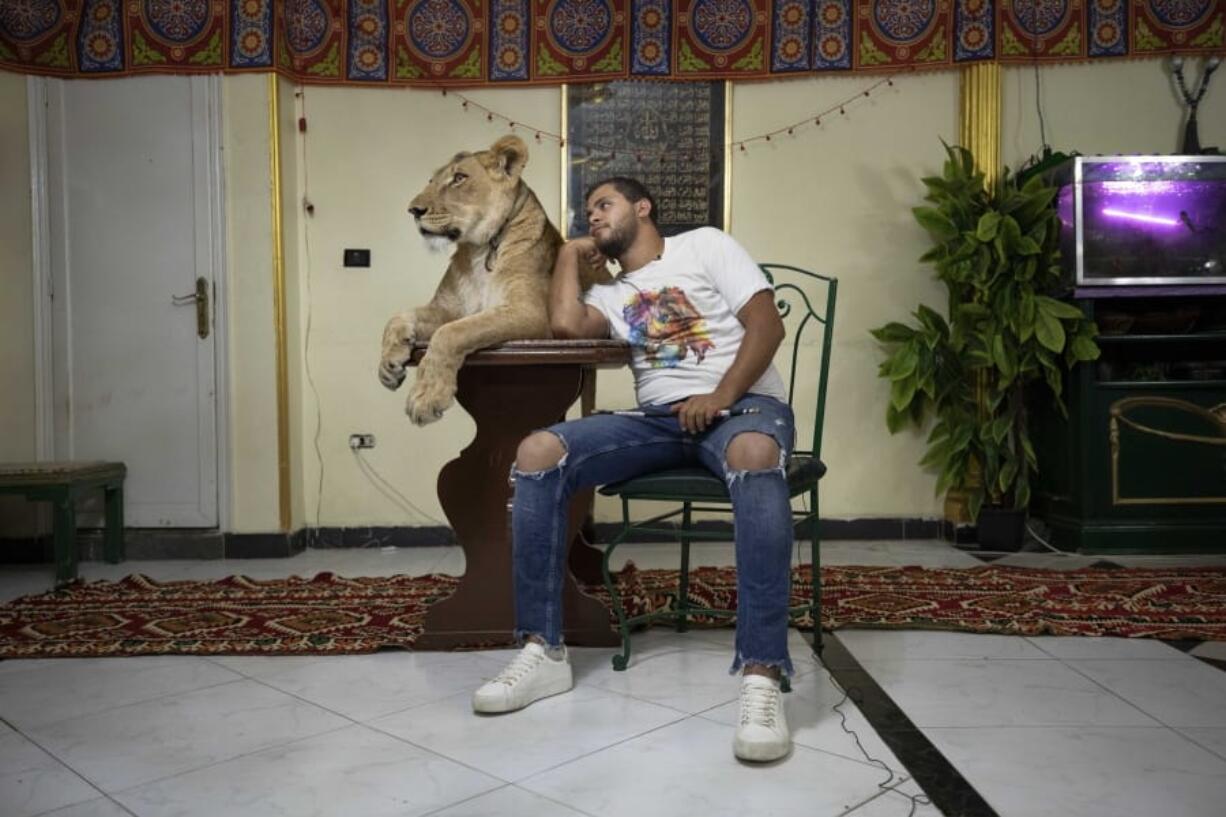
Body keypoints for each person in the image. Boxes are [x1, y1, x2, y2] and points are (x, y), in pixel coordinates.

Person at [471, 177, 798, 762]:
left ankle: (762, 673)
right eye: (587, 212)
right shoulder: (610, 296)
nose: (593, 217)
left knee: (754, 454)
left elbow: (767, 326)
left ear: (642, 207)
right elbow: (566, 326)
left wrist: (720, 396)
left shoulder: (706, 245)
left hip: (742, 410)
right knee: (537, 451)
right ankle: (543, 650)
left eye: (604, 205)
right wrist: (569, 254)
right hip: (658, 422)